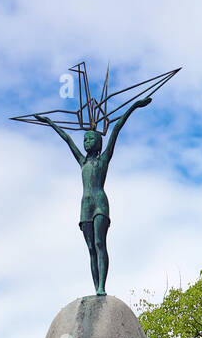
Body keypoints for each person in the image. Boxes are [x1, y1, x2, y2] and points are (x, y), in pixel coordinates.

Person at [32, 97, 152, 295]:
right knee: (90, 248)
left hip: (99, 203)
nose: (87, 142)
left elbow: (117, 129)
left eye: (91, 139)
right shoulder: (82, 161)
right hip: (85, 205)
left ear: (98, 142)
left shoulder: (104, 159)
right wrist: (50, 122)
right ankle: (96, 286)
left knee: (99, 243)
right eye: (85, 139)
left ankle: (101, 287)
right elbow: (67, 139)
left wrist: (134, 106)